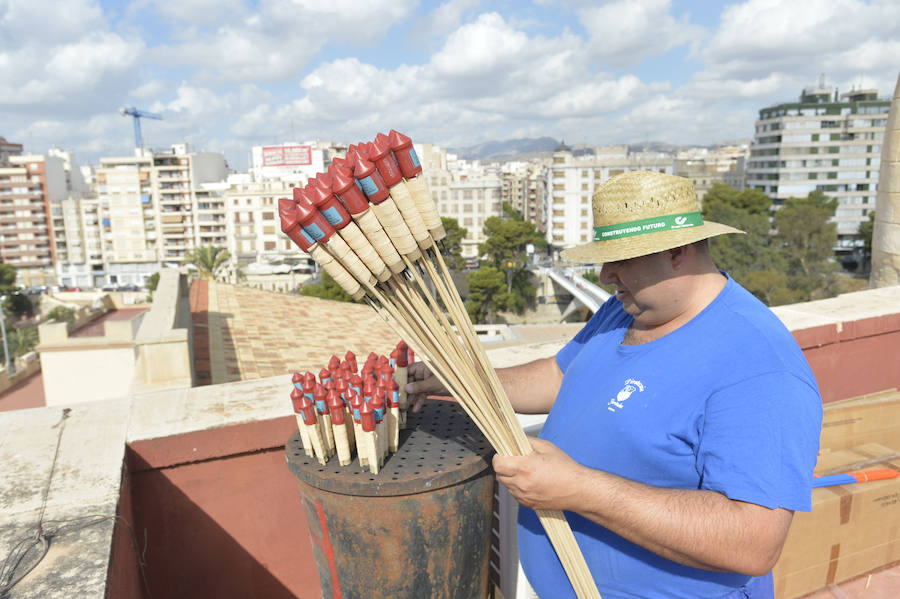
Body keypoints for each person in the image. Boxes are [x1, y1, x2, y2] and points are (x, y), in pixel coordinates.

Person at [405, 171, 823, 599]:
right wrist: (460, 380)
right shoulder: (628, 309)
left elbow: (753, 540)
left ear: (677, 252)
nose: (605, 275)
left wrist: (578, 489)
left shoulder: (760, 366)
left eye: (621, 260)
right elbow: (561, 377)